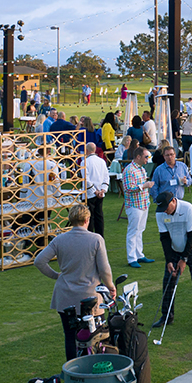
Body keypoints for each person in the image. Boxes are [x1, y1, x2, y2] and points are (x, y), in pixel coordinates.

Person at [35, 204, 116, 362]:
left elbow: (39, 261)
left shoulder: (59, 240)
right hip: (90, 297)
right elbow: (105, 270)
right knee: (95, 337)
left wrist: (57, 276)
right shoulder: (96, 239)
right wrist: (111, 286)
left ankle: (73, 371)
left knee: (70, 338)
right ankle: (93, 369)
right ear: (87, 220)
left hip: (65, 296)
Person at [153, 191, 192, 335]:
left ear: (173, 201)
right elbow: (164, 238)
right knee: (168, 283)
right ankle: (167, 316)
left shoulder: (188, 209)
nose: (165, 211)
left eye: (167, 207)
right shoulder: (160, 213)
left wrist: (184, 259)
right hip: (174, 250)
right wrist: (169, 260)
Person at [122, 147, 156, 268]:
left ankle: (139, 255)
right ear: (138, 157)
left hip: (143, 203)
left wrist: (145, 185)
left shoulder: (141, 169)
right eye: (146, 156)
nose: (148, 159)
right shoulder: (129, 170)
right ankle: (132, 258)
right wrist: (143, 186)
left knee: (140, 230)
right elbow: (128, 188)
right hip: (134, 205)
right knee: (133, 231)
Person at [84, 143, 109, 237]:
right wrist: (103, 189)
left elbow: (86, 179)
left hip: (90, 193)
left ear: (87, 150)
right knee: (99, 215)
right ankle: (100, 236)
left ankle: (90, 236)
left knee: (89, 216)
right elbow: (106, 177)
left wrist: (94, 191)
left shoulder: (85, 162)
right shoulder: (102, 161)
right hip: (100, 192)